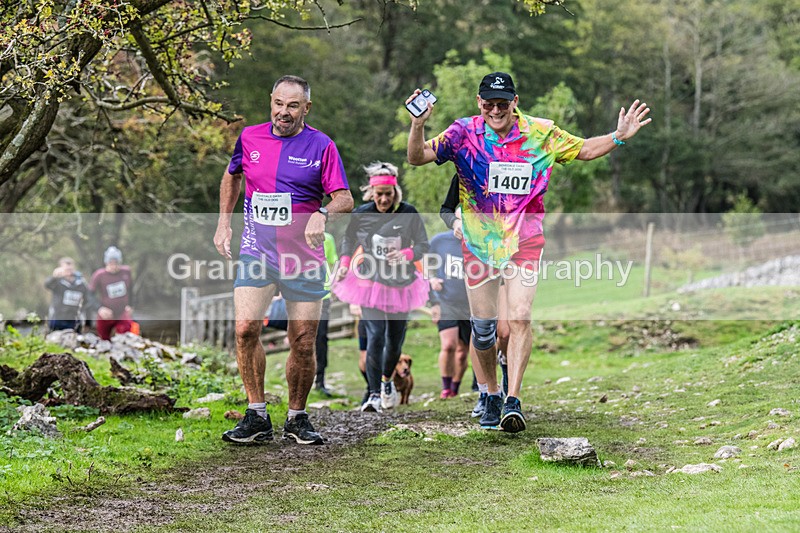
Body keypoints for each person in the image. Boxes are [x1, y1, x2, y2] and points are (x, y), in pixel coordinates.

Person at [407, 72, 651, 432]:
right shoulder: (462, 133)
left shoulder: (541, 133)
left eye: (502, 103)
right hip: (479, 243)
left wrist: (618, 137)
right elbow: (417, 157)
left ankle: (513, 399)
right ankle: (489, 392)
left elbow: (583, 149)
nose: (495, 110)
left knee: (520, 317)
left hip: (525, 241)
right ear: (479, 103)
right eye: (488, 103)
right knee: (485, 329)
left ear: (514, 102)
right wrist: (418, 125)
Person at [214, 75, 354, 445]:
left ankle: (296, 417)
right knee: (245, 329)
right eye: (278, 103)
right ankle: (256, 415)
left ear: (306, 108)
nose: (284, 112)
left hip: (304, 256)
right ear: (271, 102)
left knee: (303, 341)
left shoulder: (321, 145)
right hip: (256, 249)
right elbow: (232, 177)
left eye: (293, 106)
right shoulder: (250, 137)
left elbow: (345, 198)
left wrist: (323, 213)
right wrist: (223, 225)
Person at [333, 162, 429, 413]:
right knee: (375, 335)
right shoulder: (362, 213)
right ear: (371, 194)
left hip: (401, 284)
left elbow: (423, 245)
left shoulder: (409, 213)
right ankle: (374, 394)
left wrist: (407, 254)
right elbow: (348, 240)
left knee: (395, 342)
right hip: (370, 282)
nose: (384, 199)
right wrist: (344, 263)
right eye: (379, 195)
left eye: (388, 194)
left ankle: (387, 382)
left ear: (395, 192)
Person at [439, 176, 509, 418]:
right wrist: (455, 223)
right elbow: (446, 209)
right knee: (481, 330)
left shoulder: (512, 164)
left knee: (506, 331)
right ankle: (486, 392)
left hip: (508, 255)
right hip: (476, 259)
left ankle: (507, 380)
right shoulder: (464, 170)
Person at [428, 227, 470, 400]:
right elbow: (424, 265)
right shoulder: (439, 240)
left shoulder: (479, 241)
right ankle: (446, 388)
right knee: (448, 345)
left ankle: (455, 387)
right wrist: (431, 282)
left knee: (462, 353)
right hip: (446, 301)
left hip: (471, 304)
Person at [89, 246, 134, 341]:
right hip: (106, 313)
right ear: (106, 263)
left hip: (122, 312)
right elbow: (89, 295)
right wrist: (99, 309)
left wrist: (131, 305)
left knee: (125, 337)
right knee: (103, 339)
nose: (114, 266)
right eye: (111, 263)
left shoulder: (126, 272)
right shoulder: (99, 275)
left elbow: (131, 290)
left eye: (116, 263)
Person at [44, 257, 90, 332]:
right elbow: (47, 285)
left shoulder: (81, 283)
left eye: (70, 269)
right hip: (58, 318)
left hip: (75, 319)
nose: (68, 271)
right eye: (66, 269)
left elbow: (87, 300)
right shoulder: (57, 282)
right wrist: (54, 277)